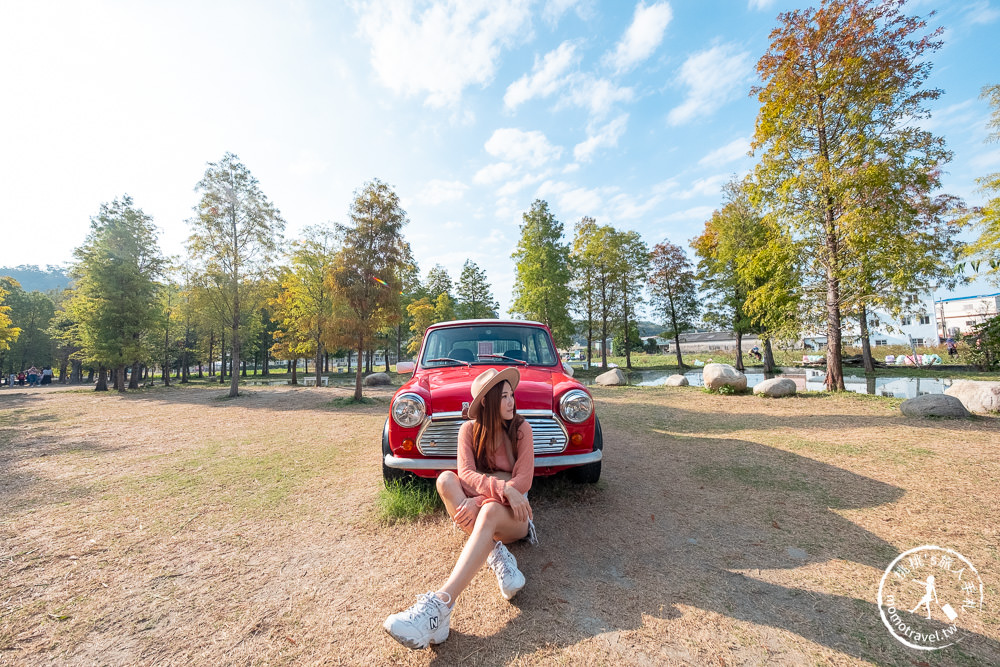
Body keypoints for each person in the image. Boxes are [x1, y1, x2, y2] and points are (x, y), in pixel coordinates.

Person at [384, 367, 535, 650]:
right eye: (503, 397)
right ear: (488, 402)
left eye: (511, 395)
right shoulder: (468, 430)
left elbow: (523, 481)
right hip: (491, 508)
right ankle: (494, 551)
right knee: (445, 479)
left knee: (489, 511)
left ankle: (441, 605)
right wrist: (503, 486)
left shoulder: (521, 429)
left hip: (515, 518)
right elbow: (465, 474)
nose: (511, 402)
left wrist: (481, 498)